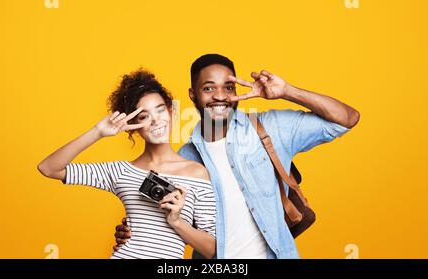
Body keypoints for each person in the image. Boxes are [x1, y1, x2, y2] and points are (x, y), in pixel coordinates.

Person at [114, 54, 360, 259]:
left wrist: (287, 91)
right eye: (209, 88)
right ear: (192, 95)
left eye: (228, 87)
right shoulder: (184, 160)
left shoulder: (270, 129)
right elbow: (167, 223)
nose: (220, 96)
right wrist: (133, 233)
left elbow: (347, 119)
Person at [37, 69, 216, 259]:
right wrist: (98, 131)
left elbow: (211, 249)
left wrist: (177, 221)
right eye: (143, 116)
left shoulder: (197, 173)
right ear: (132, 126)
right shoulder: (121, 171)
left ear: (171, 112)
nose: (156, 120)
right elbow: (48, 168)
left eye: (160, 109)